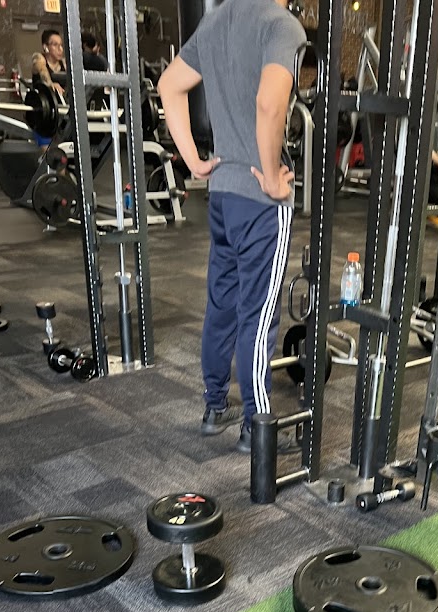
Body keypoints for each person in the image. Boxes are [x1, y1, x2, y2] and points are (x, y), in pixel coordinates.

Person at [158, 0, 306, 454]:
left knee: (222, 304)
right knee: (258, 315)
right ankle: (256, 426)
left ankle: (214, 406)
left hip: (221, 194)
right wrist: (272, 177)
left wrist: (193, 161)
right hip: (259, 200)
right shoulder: (282, 25)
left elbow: (168, 85)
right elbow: (269, 102)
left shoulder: (216, 19)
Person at [31, 30, 67, 98]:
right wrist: (50, 84)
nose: (60, 49)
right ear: (46, 47)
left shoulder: (64, 63)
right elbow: (42, 71)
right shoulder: (39, 58)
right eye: (55, 45)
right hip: (42, 101)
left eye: (61, 45)